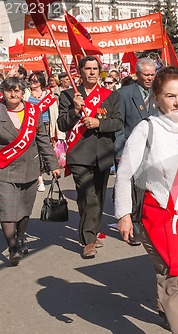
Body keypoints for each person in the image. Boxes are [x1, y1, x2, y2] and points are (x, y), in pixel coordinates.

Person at [115, 67, 178, 333]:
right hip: (162, 214)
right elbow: (124, 175)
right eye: (170, 96)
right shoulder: (147, 130)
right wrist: (123, 215)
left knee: (177, 271)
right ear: (156, 97)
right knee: (176, 278)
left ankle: (166, 307)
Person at [57, 56, 123, 259]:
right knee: (88, 196)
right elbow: (61, 124)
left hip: (103, 153)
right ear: (80, 71)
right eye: (88, 68)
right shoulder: (68, 95)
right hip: (79, 154)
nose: (92, 72)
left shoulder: (111, 96)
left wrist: (99, 124)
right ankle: (89, 241)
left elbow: (118, 122)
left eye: (95, 68)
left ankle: (90, 231)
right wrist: (75, 110)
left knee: (99, 197)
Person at [0, 77, 60, 265]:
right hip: (5, 168)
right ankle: (12, 247)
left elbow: (43, 141)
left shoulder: (32, 112)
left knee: (25, 208)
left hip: (30, 167)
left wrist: (53, 165)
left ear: (23, 92)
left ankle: (20, 237)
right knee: (7, 209)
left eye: (17, 90)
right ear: (3, 92)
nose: (13, 94)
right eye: (9, 90)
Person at [114, 57, 158, 246]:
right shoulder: (125, 94)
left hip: (154, 149)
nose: (149, 78)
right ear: (137, 74)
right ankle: (133, 225)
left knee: (147, 188)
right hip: (131, 148)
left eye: (152, 74)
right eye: (146, 75)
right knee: (132, 189)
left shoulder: (159, 92)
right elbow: (118, 125)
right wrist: (119, 150)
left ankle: (145, 221)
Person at [24, 71, 64, 192]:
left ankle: (50, 170)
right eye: (31, 80)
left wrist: (59, 133)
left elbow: (55, 114)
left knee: (45, 151)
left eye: (35, 81)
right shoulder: (26, 94)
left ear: (41, 82)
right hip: (30, 126)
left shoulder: (49, 96)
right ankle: (39, 178)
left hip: (46, 126)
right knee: (34, 152)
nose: (32, 83)